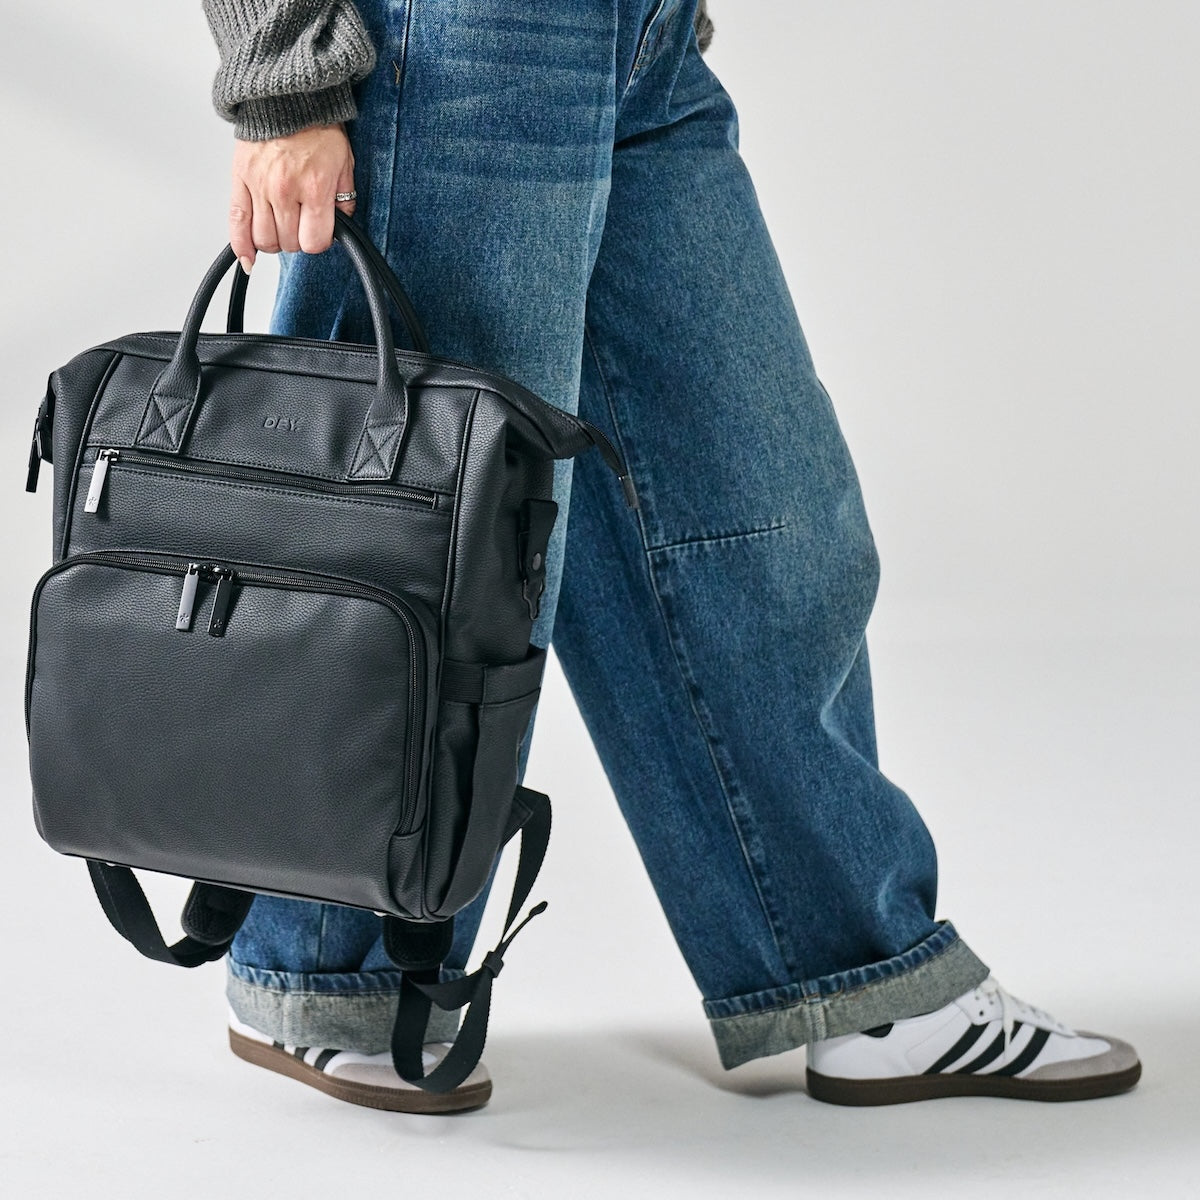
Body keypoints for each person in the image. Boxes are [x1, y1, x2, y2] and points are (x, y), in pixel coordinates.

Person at [205, 0, 1141, 1113]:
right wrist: (282, 73)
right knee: (429, 539)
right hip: (450, 41)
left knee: (759, 519)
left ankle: (857, 976)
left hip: (635, 43)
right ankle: (328, 978)